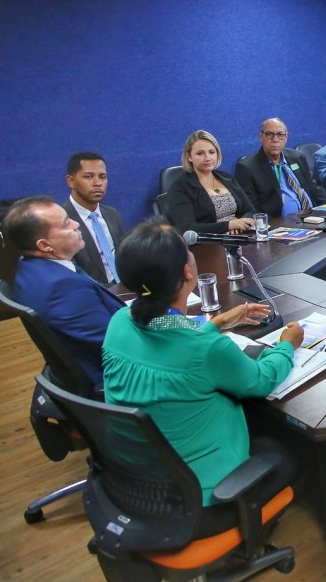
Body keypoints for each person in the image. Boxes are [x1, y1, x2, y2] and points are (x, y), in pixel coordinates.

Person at [102, 219, 304, 516]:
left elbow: (176, 347)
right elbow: (261, 380)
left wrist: (215, 324)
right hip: (200, 495)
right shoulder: (207, 351)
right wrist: (287, 345)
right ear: (187, 271)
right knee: (289, 454)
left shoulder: (119, 320)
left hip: (135, 477)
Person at [2, 196, 125, 388]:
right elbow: (120, 347)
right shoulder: (63, 289)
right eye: (67, 223)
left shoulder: (28, 266)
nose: (77, 224)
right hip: (117, 377)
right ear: (45, 245)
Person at [234, 117, 326, 216]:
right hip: (282, 222)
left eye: (280, 135)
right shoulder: (247, 168)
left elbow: (314, 188)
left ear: (286, 137)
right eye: (269, 134)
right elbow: (251, 209)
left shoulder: (297, 157)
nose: (275, 140)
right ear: (261, 136)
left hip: (313, 216)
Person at [167, 130, 256, 234]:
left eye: (212, 152)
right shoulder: (180, 187)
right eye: (200, 153)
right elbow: (187, 229)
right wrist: (228, 225)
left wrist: (240, 224)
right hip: (209, 242)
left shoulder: (227, 178)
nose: (207, 158)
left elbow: (251, 211)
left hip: (239, 235)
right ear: (189, 157)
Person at [62, 151, 124, 285]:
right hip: (93, 291)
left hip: (126, 286)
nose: (98, 183)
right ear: (70, 181)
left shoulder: (112, 214)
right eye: (88, 177)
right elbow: (73, 276)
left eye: (102, 177)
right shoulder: (62, 222)